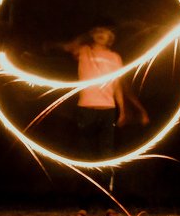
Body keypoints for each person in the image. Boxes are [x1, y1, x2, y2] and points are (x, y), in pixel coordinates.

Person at [56, 24, 149, 160]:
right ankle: (86, 178)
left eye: (105, 32)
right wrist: (86, 36)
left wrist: (122, 110)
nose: (101, 34)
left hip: (108, 109)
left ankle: (106, 179)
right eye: (98, 31)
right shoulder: (83, 50)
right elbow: (68, 46)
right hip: (86, 107)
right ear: (92, 34)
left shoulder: (115, 57)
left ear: (111, 37)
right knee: (85, 148)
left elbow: (117, 85)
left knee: (107, 148)